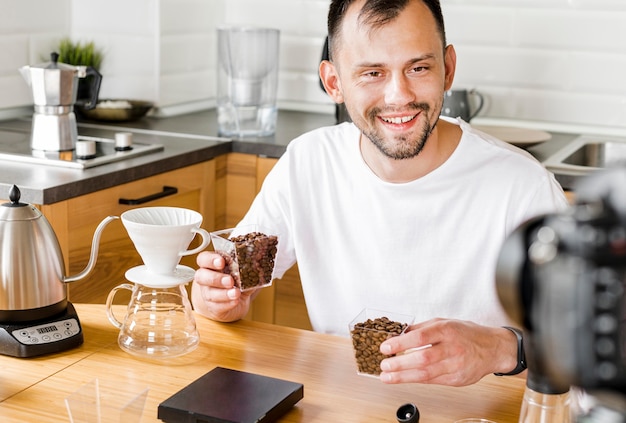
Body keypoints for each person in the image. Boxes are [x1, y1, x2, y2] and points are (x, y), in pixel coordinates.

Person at [192, 0, 569, 387]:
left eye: (419, 68)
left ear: (448, 69)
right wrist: (217, 298)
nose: (399, 96)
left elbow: (597, 340)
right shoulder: (307, 163)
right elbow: (233, 288)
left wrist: (499, 348)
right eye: (373, 73)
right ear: (333, 82)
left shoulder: (523, 187)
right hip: (346, 406)